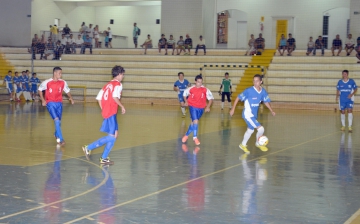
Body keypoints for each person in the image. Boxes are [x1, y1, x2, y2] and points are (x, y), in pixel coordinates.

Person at [82, 65, 126, 164]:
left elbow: (98, 98)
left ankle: (104, 158)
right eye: (122, 74)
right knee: (112, 137)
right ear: (119, 74)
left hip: (110, 112)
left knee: (115, 135)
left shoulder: (107, 85)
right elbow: (115, 97)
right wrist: (122, 106)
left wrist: (103, 109)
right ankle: (88, 147)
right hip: (111, 112)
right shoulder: (118, 84)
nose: (123, 77)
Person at [229, 74, 276, 154]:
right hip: (247, 114)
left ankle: (242, 145)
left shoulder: (263, 91)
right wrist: (233, 109)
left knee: (250, 130)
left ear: (261, 82)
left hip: (254, 115)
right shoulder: (249, 90)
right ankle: (258, 143)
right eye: (254, 81)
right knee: (261, 129)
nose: (255, 82)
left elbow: (266, 102)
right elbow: (238, 97)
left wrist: (271, 110)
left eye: (257, 81)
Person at [38, 67, 74, 146]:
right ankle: (61, 139)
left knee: (59, 122)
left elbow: (67, 91)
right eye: (59, 73)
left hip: (59, 103)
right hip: (50, 103)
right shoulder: (47, 82)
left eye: (61, 73)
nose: (61, 75)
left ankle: (55, 134)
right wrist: (43, 100)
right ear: (55, 73)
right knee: (57, 120)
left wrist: (70, 98)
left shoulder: (63, 82)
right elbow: (40, 89)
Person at [181, 75, 214, 145]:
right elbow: (184, 94)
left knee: (193, 123)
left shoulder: (205, 89)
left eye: (201, 82)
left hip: (201, 108)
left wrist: (208, 107)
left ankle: (186, 135)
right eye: (198, 82)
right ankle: (195, 137)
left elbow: (211, 99)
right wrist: (186, 101)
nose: (200, 83)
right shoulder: (191, 89)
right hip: (193, 107)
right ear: (195, 82)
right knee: (196, 121)